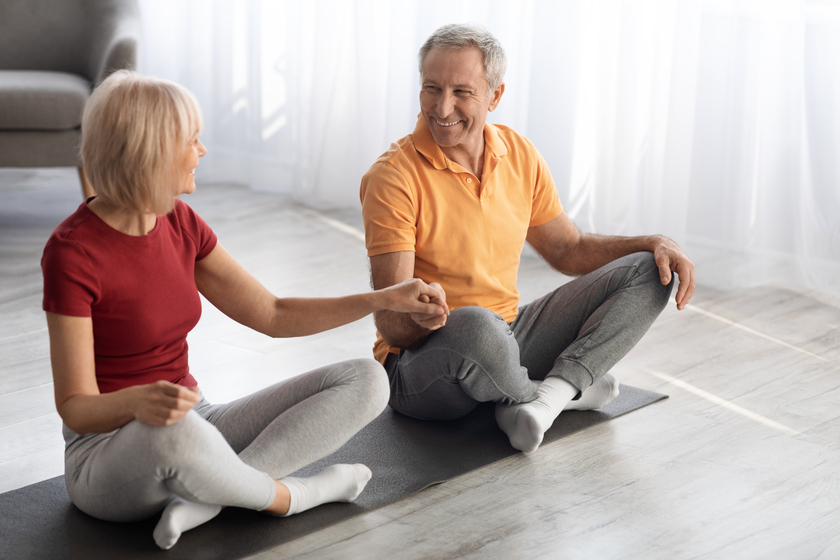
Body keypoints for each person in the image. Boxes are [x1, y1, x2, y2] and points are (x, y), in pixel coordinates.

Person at [41, 70, 449, 550]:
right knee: (174, 436)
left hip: (198, 423)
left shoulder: (181, 222)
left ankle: (210, 496)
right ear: (149, 151)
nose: (202, 151)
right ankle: (291, 496)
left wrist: (383, 299)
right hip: (109, 453)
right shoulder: (73, 252)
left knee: (367, 379)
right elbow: (75, 408)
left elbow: (272, 313)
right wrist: (136, 403)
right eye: (192, 140)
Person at [360, 23, 696, 455]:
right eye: (431, 88)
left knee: (652, 268)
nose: (442, 107)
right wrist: (422, 317)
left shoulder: (518, 154)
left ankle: (546, 398)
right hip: (420, 365)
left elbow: (568, 249)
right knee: (476, 323)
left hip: (508, 338)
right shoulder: (393, 177)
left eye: (462, 92)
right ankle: (558, 394)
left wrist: (655, 241)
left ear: (495, 96)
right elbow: (390, 325)